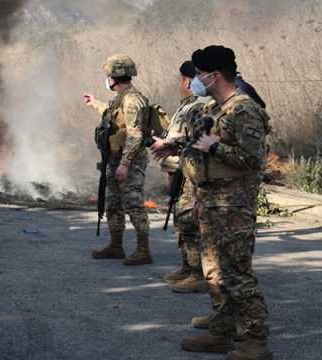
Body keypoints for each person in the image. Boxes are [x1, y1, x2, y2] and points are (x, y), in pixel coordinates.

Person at [179, 45, 272, 360]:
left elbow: (252, 159)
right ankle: (222, 332)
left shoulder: (243, 109)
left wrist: (215, 146)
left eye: (202, 74)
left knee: (237, 275)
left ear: (215, 76)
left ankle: (257, 342)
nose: (198, 79)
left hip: (234, 208)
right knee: (215, 273)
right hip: (213, 203)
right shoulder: (218, 108)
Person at [84, 54, 153, 266]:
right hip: (115, 159)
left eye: (109, 75)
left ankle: (143, 250)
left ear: (116, 76)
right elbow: (113, 116)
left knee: (133, 203)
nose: (107, 79)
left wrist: (125, 164)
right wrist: (94, 103)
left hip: (128, 161)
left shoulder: (132, 100)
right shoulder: (121, 98)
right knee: (113, 203)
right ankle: (116, 246)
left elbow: (135, 135)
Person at [149, 61, 209, 293]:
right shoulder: (189, 105)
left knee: (189, 221)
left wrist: (170, 145)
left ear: (187, 81)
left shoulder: (199, 107)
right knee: (182, 220)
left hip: (192, 172)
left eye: (183, 80)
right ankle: (188, 267)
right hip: (181, 169)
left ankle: (197, 273)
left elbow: (198, 139)